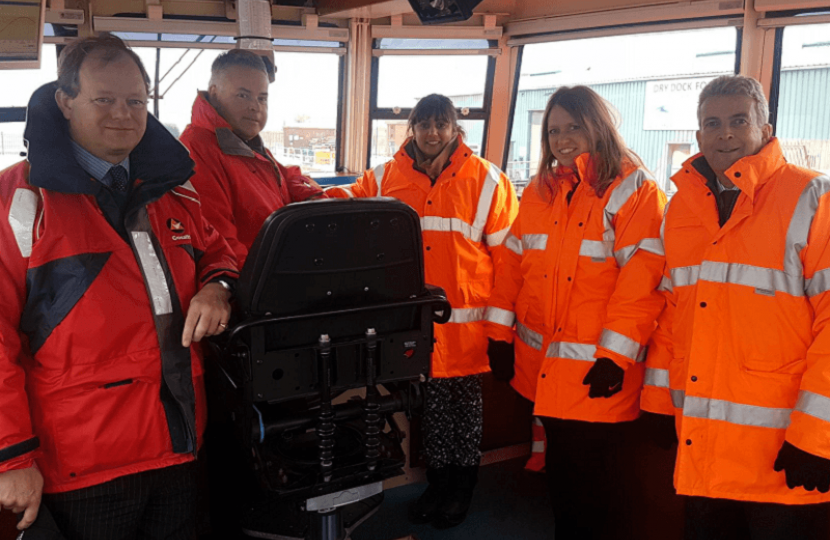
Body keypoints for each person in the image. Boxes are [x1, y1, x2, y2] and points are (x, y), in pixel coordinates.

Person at [0, 34, 238, 539]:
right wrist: (11, 455)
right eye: (103, 99)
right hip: (81, 465)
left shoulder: (175, 189)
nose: (123, 115)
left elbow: (218, 251)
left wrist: (217, 287)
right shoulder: (17, 202)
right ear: (65, 101)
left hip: (179, 444)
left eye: (135, 101)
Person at [646, 74, 830, 539]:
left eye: (738, 121)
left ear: (766, 129)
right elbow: (673, 312)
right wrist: (656, 401)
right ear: (698, 135)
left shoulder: (813, 198)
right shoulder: (680, 209)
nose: (725, 133)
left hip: (783, 456)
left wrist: (818, 436)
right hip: (703, 449)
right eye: (712, 123)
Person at [326, 94, 518, 528]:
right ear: (412, 128)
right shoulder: (384, 176)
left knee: (464, 416)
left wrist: (502, 332)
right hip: (415, 328)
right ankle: (437, 485)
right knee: (429, 413)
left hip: (469, 331)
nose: (433, 133)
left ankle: (460, 491)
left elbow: (511, 262)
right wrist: (296, 189)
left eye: (441, 124)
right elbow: (346, 199)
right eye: (425, 124)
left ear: (455, 129)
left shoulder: (488, 181)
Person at [487, 85, 667, 539]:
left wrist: (615, 357)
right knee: (566, 479)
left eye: (573, 128)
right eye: (553, 131)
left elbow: (642, 281)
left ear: (597, 127)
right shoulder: (540, 191)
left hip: (598, 371)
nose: (562, 140)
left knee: (600, 484)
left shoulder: (633, 190)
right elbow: (512, 265)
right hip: (543, 368)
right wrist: (498, 334)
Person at [180, 49, 324, 266]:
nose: (255, 106)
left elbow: (286, 177)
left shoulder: (246, 144)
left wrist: (312, 199)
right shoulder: (196, 153)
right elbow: (221, 247)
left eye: (262, 98)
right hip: (255, 277)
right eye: (243, 95)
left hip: (282, 263)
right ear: (215, 94)